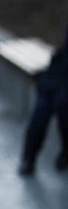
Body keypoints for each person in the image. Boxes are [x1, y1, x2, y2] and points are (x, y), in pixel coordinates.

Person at [18, 25, 68, 176]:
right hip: (56, 79)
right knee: (42, 108)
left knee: (62, 103)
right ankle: (29, 159)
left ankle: (66, 151)